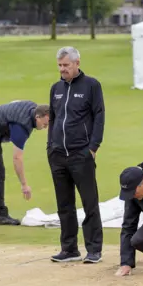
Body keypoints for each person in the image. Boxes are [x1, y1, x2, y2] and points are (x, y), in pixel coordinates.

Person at [47, 46, 105, 264]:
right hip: (58, 154)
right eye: (60, 66)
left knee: (89, 202)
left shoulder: (91, 86)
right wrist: (50, 146)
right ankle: (69, 249)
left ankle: (94, 249)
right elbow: (53, 118)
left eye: (66, 65)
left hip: (82, 153)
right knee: (64, 204)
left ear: (77, 63)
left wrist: (93, 147)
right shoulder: (56, 89)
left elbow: (99, 116)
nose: (62, 69)